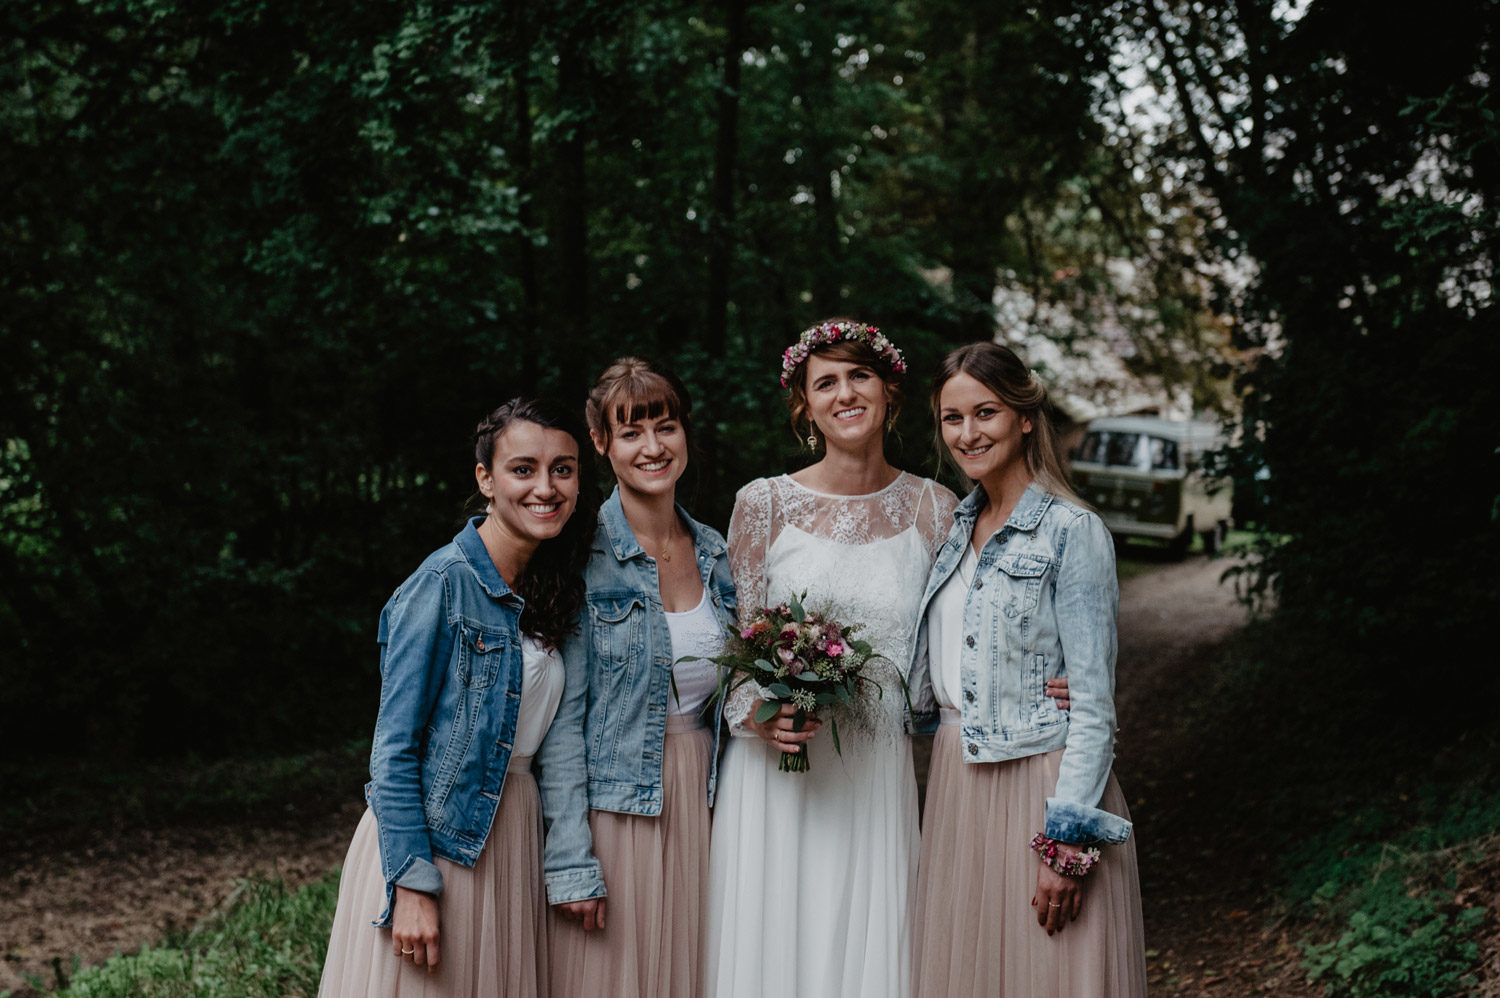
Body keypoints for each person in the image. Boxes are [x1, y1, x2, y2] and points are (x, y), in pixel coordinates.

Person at [701, 318, 955, 998]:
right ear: (804, 406)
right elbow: (734, 651)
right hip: (779, 775)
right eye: (826, 382)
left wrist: (1049, 683)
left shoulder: (939, 509)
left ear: (889, 392)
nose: (846, 392)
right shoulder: (763, 504)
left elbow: (966, 637)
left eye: (859, 375)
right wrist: (757, 715)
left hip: (875, 776)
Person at [319, 397, 597, 998]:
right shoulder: (440, 586)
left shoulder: (553, 588)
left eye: (563, 469)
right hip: (440, 847)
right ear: (486, 479)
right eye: (523, 469)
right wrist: (413, 885)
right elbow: (392, 754)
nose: (545, 487)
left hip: (515, 840)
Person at [909, 342, 1148, 997]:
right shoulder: (953, 532)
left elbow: (1095, 706)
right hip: (959, 783)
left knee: (1048, 972)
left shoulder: (1073, 532)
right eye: (951, 418)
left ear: (1022, 417)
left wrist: (1067, 844)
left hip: (1040, 782)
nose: (967, 433)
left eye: (984, 412)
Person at [538, 358, 737, 998]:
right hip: (615, 808)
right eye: (631, 432)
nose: (653, 447)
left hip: (710, 800)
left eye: (666, 426)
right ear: (601, 443)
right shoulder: (579, 553)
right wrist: (571, 861)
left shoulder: (715, 550)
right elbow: (562, 722)